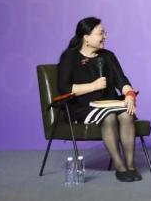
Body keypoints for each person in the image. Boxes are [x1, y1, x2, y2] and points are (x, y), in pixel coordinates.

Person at [57, 17, 142, 182]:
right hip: (83, 107)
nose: (105, 37)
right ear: (86, 38)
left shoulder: (108, 56)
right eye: (100, 33)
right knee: (109, 117)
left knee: (126, 114)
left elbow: (121, 80)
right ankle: (120, 167)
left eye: (105, 33)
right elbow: (64, 88)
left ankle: (131, 166)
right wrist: (92, 86)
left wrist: (129, 94)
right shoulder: (70, 57)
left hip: (109, 103)